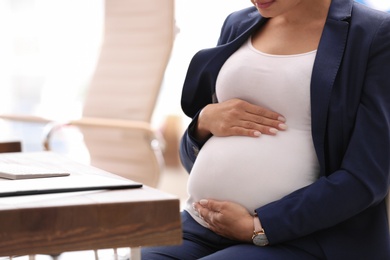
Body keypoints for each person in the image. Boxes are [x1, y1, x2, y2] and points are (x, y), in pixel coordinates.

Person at [142, 0, 390, 259]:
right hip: (201, 225)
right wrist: (203, 122)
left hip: (306, 238)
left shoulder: (373, 34)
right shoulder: (237, 24)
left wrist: (259, 226)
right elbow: (193, 157)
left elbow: (366, 177)